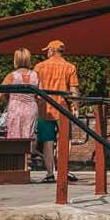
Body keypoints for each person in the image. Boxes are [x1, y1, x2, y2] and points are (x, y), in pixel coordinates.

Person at [32, 40, 80, 183]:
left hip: (44, 108)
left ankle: (49, 173)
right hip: (63, 108)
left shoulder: (39, 67)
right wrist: (76, 107)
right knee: (65, 140)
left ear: (52, 50)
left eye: (47, 50)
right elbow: (74, 90)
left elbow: (35, 88)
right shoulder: (70, 67)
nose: (46, 52)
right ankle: (63, 170)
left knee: (47, 141)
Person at [1, 48, 40, 142]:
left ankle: (16, 156)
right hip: (31, 108)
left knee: (14, 137)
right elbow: (40, 96)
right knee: (29, 137)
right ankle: (28, 156)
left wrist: (8, 98)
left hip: (15, 108)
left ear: (16, 60)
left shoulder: (11, 76)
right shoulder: (36, 75)